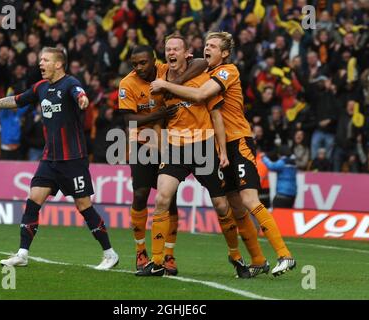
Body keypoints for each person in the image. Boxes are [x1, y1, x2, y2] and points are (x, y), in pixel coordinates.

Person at [151, 31, 296, 277]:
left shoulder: (228, 71)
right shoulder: (205, 71)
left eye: (213, 46)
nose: (207, 49)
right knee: (236, 207)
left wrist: (165, 85)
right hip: (220, 146)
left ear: (225, 53)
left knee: (250, 200)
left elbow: (199, 95)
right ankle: (259, 260)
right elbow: (195, 63)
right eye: (205, 44)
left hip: (238, 141)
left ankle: (285, 255)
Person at [0, 47, 119, 270]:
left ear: (58, 64)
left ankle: (110, 253)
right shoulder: (41, 87)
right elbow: (17, 100)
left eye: (45, 60)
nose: (41, 64)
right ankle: (22, 254)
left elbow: (79, 92)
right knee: (33, 200)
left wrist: (82, 99)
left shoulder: (70, 83)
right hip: (49, 158)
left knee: (84, 206)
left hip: (72, 159)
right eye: (40, 60)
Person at [137, 34, 251, 278]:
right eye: (168, 49)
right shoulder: (159, 81)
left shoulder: (202, 77)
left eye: (176, 48)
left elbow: (217, 115)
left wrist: (221, 149)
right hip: (176, 148)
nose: (171, 52)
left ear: (187, 53)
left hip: (203, 146)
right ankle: (157, 261)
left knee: (222, 205)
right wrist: (159, 145)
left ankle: (236, 256)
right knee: (161, 199)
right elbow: (158, 117)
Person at [118, 45, 208, 275]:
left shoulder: (165, 71)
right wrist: (156, 115)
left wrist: (173, 84)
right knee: (139, 194)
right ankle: (140, 251)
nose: (138, 68)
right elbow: (128, 118)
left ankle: (168, 254)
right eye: (134, 64)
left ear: (154, 60)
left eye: (142, 63)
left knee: (169, 199)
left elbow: (201, 63)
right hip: (142, 142)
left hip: (170, 142)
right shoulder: (127, 84)